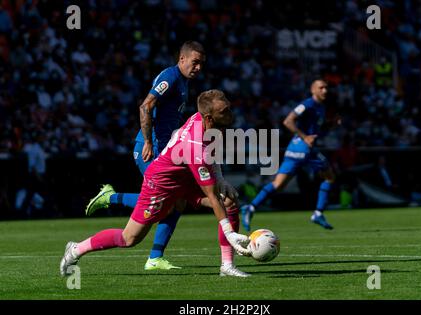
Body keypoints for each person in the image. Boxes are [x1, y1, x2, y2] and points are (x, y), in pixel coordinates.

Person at [60, 90, 251, 277]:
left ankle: (227, 265)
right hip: (161, 184)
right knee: (129, 238)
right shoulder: (195, 147)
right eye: (224, 111)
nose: (230, 114)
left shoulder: (204, 121)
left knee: (228, 201)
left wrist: (221, 179)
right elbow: (210, 193)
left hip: (183, 178)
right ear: (209, 118)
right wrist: (229, 233)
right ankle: (76, 249)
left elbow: (212, 150)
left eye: (228, 108)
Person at [85, 41, 238, 271]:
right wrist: (147, 141)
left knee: (175, 202)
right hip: (152, 147)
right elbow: (146, 106)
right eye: (195, 62)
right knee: (166, 201)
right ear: (182, 59)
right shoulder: (171, 77)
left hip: (168, 148)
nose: (198, 68)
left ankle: (155, 257)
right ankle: (111, 198)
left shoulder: (183, 82)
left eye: (201, 64)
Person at [240, 79, 340, 231]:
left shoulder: (321, 107)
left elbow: (316, 132)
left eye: (326, 87)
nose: (325, 90)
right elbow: (288, 121)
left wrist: (330, 125)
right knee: (329, 176)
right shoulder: (307, 104)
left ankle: (251, 207)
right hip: (304, 149)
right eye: (321, 88)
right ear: (313, 90)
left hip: (298, 148)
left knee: (278, 185)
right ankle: (318, 213)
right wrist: (304, 137)